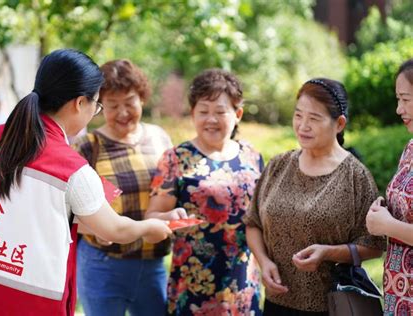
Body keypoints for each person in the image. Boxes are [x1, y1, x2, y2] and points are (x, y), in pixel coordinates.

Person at [0, 49, 171, 316]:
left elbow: (23, 209)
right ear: (79, 103)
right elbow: (114, 230)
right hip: (26, 300)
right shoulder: (70, 168)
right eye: (96, 106)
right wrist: (150, 227)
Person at [243, 78, 385, 315]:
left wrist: (328, 252)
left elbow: (373, 246)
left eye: (314, 119)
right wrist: (263, 262)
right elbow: (253, 222)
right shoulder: (279, 165)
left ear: (339, 124)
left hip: (331, 305)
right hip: (276, 303)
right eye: (298, 116)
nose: (302, 126)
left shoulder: (355, 176)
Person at [146, 69, 263, 315]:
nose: (211, 119)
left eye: (220, 111)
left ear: (237, 114)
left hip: (242, 281)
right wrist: (170, 218)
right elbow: (151, 218)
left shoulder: (251, 156)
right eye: (203, 111)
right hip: (193, 283)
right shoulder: (176, 158)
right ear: (193, 114)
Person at [73, 59, 173, 316]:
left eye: (129, 102)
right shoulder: (87, 146)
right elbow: (69, 212)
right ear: (99, 107)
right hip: (103, 264)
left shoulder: (160, 138)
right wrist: (95, 228)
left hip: (152, 263)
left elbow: (172, 192)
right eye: (112, 105)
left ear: (142, 98)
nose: (123, 112)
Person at [366, 59, 413, 315]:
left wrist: (387, 226)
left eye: (405, 99)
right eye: (398, 99)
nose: (398, 109)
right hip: (399, 295)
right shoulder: (410, 148)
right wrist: (382, 210)